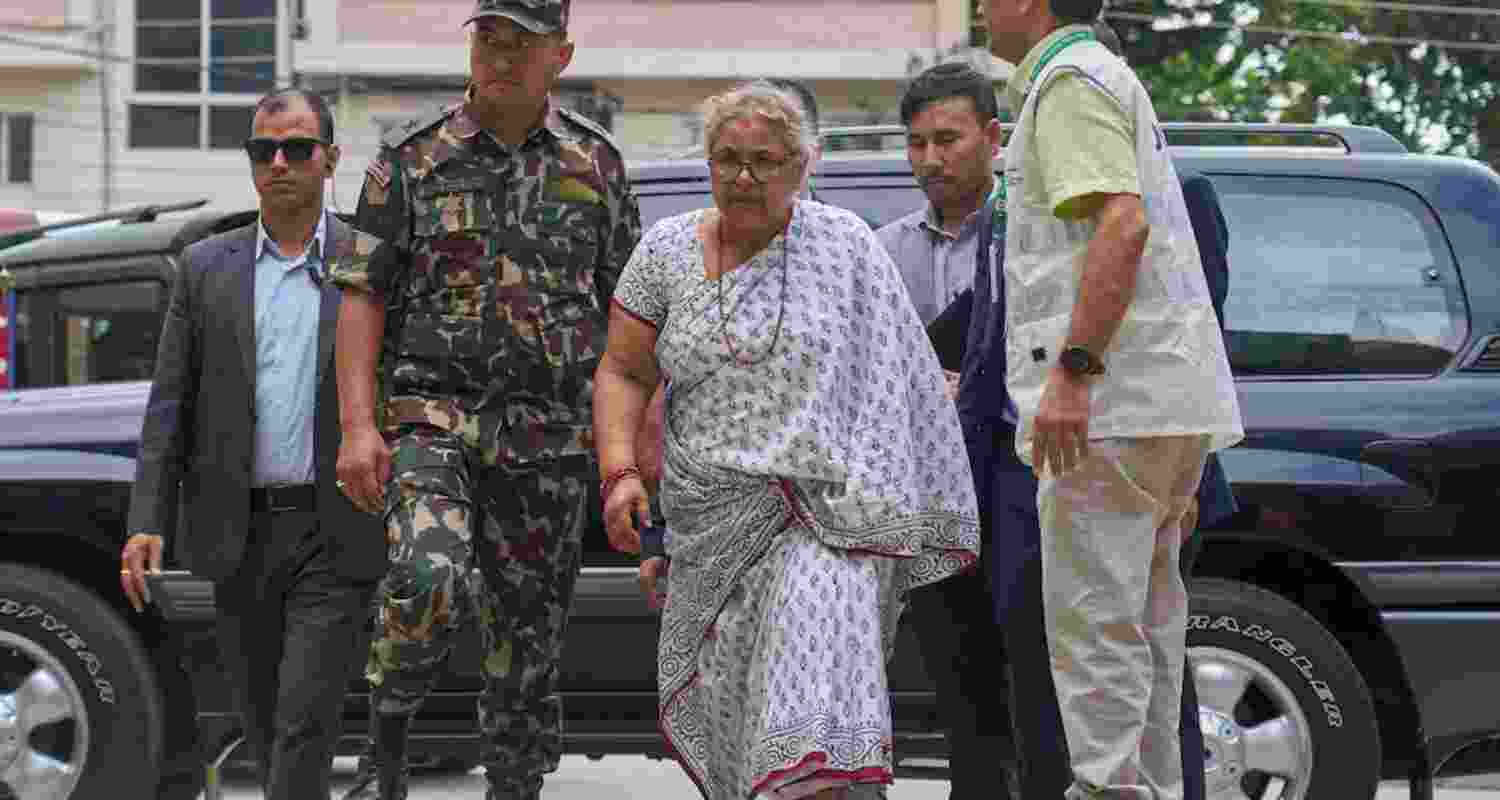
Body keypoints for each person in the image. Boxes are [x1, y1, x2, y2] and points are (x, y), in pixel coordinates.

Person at [592, 80, 981, 800]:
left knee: (815, 731)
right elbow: (622, 371)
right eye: (727, 158)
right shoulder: (666, 252)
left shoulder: (847, 250)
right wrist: (621, 475)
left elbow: (903, 389)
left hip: (828, 523)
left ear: (803, 166)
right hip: (710, 530)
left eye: (765, 161)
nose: (743, 177)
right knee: (742, 741)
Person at [329, 0, 642, 797]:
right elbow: (362, 296)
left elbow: (631, 323)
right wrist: (358, 429)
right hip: (434, 419)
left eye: (522, 45)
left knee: (528, 646)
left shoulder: (595, 166)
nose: (500, 59)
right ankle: (388, 737)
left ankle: (516, 784)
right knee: (428, 573)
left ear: (560, 55)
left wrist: (628, 455)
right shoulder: (410, 160)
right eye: (488, 42)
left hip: (550, 434)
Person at [986, 1, 1245, 798]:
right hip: (1160, 406)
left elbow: (1120, 227)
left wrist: (1073, 370)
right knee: (1147, 637)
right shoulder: (1101, 74)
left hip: (1113, 408)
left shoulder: (1069, 79)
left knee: (1097, 635)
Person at [120, 87, 388, 800]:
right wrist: (147, 519)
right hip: (235, 534)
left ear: (330, 159)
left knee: (304, 720)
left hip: (334, 532)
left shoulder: (371, 262)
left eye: (298, 148)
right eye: (262, 149)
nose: (279, 163)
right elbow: (169, 404)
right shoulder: (207, 269)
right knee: (265, 724)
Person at [875, 61, 1052, 800]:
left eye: (947, 139)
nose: (930, 159)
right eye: (916, 143)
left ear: (993, 136)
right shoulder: (883, 251)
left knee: (1038, 686)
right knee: (959, 692)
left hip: (1022, 485)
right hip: (929, 506)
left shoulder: (1036, 234)